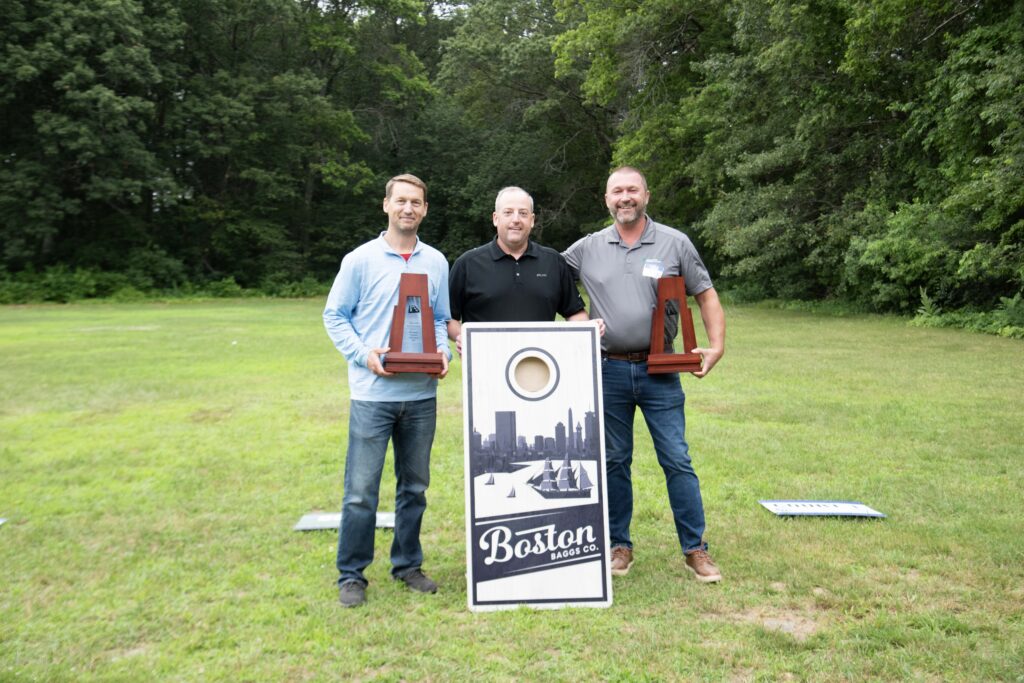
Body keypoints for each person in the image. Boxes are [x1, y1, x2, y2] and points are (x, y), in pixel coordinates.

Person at [563, 166, 726, 583]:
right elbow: (545, 284)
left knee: (677, 458)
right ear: (606, 200)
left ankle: (696, 550)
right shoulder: (586, 248)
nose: (625, 197)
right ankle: (619, 545)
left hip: (661, 370)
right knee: (614, 461)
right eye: (617, 191)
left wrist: (717, 344)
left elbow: (706, 295)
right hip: (607, 369)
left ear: (646, 196)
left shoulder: (674, 243)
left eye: (632, 189)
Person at [323, 173, 452, 608]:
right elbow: (335, 316)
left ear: (425, 209)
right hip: (373, 395)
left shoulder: (436, 262)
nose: (408, 209)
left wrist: (443, 356)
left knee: (414, 487)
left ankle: (407, 564)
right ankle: (352, 574)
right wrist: (364, 355)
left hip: (420, 397)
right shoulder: (360, 260)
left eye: (416, 202)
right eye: (401, 201)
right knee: (361, 491)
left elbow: (439, 320)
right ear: (386, 206)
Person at [448, 186, 601, 348]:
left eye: (523, 213)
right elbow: (447, 318)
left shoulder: (553, 262)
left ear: (532, 220)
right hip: (486, 363)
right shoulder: (467, 264)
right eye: (508, 212)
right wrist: (463, 338)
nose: (516, 219)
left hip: (540, 364)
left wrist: (589, 329)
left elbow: (575, 313)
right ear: (495, 218)